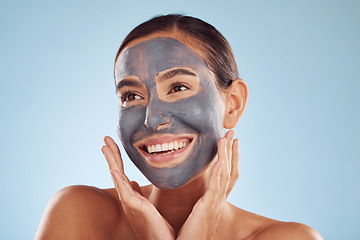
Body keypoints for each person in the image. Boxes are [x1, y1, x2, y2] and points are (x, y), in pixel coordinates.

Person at [35, 14, 323, 240]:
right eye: (131, 96)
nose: (152, 119)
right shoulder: (77, 213)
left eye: (178, 87)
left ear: (232, 104)